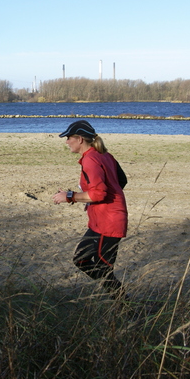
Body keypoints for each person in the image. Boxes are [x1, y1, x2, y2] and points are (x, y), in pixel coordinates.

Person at [52, 120, 128, 297]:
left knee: (103, 269)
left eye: (68, 137)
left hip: (109, 222)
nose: (66, 141)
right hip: (99, 221)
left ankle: (127, 307)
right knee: (81, 259)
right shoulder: (104, 155)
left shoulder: (91, 159)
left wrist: (69, 197)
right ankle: (117, 298)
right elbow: (121, 181)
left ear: (79, 139)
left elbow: (99, 194)